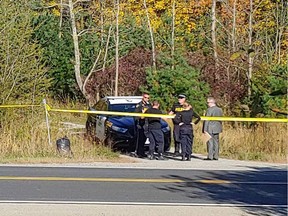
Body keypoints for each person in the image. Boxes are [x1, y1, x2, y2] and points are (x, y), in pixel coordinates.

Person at [134, 92, 151, 158]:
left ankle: (142, 152)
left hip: (147, 124)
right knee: (140, 139)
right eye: (145, 97)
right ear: (142, 97)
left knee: (144, 139)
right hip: (140, 124)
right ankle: (138, 152)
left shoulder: (149, 105)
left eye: (148, 98)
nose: (147, 99)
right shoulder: (139, 105)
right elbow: (136, 115)